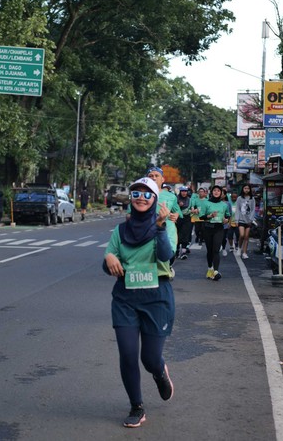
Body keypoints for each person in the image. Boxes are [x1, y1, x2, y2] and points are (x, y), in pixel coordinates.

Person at [103, 177, 175, 428]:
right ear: (130, 198)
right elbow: (108, 262)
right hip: (125, 298)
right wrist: (109, 258)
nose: (141, 198)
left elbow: (166, 256)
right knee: (127, 353)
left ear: (155, 199)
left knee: (150, 358)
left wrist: (161, 227)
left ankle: (159, 371)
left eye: (147, 194)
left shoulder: (165, 225)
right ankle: (137, 406)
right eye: (136, 194)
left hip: (157, 298)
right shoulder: (121, 230)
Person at [199, 185, 231, 280]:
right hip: (208, 228)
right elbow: (201, 216)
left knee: (216, 250)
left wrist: (226, 220)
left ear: (221, 193)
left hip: (219, 228)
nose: (216, 192)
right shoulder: (205, 203)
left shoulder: (224, 205)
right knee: (210, 250)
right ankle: (210, 268)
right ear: (211, 192)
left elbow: (228, 215)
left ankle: (216, 271)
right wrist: (210, 216)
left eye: (218, 191)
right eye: (214, 190)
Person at [236, 184, 255, 259]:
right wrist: (236, 220)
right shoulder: (239, 198)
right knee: (242, 235)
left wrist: (251, 219)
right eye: (245, 188)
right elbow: (237, 209)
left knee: (246, 237)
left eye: (248, 188)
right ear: (242, 189)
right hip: (241, 220)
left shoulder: (252, 199)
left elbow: (253, 210)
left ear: (250, 189)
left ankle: (244, 253)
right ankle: (239, 248)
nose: (246, 190)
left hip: (248, 221)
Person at [176, 186, 192, 259]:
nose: (184, 193)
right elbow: (173, 207)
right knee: (177, 234)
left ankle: (183, 252)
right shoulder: (176, 198)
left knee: (185, 234)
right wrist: (178, 205)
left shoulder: (189, 199)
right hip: (178, 218)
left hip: (187, 218)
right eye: (182, 191)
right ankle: (176, 250)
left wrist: (194, 210)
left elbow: (193, 207)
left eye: (185, 191)